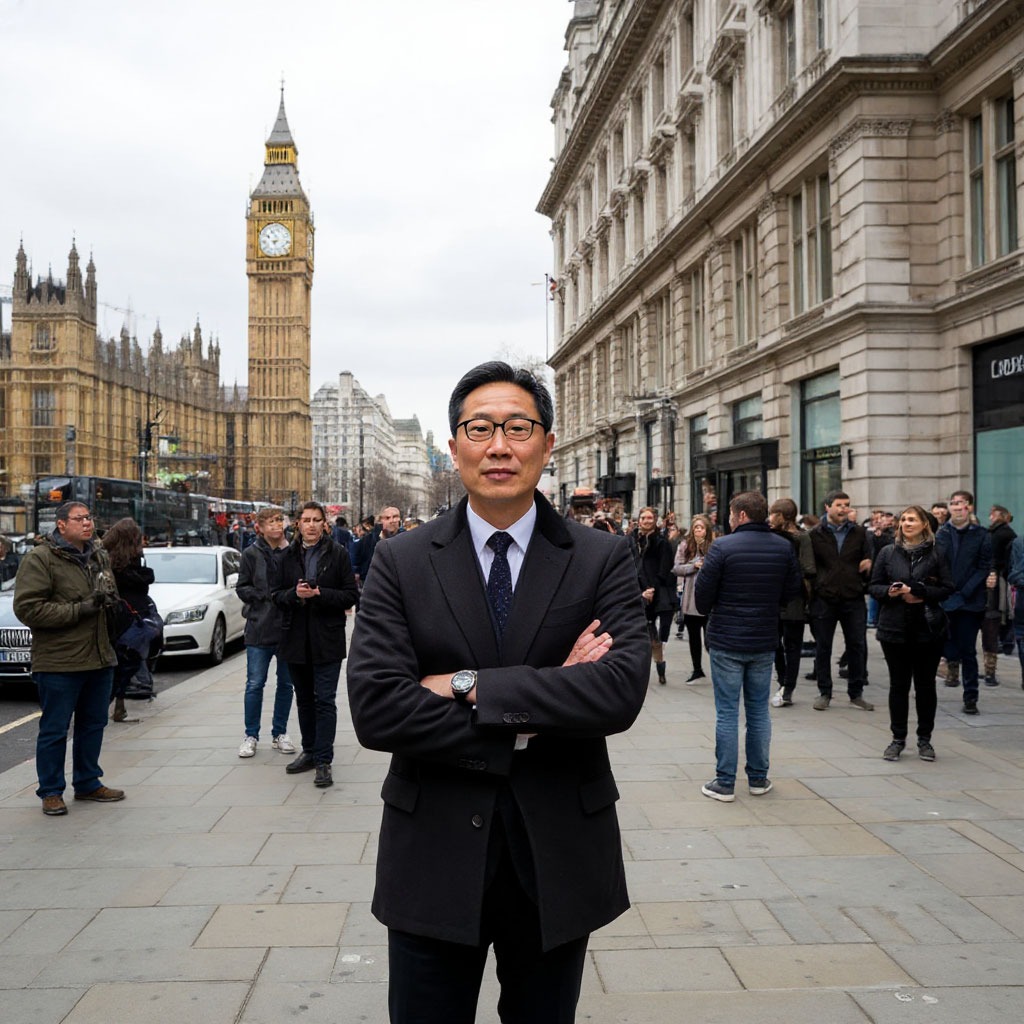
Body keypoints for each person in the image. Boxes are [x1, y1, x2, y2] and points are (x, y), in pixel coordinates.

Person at [346, 361, 649, 1024]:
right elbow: (377, 708)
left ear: (547, 443)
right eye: (480, 429)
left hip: (558, 854)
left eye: (518, 427)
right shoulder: (401, 560)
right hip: (433, 851)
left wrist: (467, 686)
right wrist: (545, 701)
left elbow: (618, 691)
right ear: (455, 447)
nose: (499, 446)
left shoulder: (601, 557)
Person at [13, 502, 125, 816]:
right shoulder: (41, 558)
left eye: (89, 518)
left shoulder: (98, 555)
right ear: (61, 525)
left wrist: (111, 604)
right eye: (80, 519)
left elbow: (108, 592)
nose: (87, 523)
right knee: (55, 729)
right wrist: (80, 609)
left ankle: (88, 782)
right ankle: (51, 791)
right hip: (59, 661)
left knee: (93, 724)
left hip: (99, 656)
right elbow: (28, 609)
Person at [693, 491, 801, 802]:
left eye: (730, 514)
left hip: (727, 639)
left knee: (727, 712)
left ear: (741, 515)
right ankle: (758, 778)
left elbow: (702, 598)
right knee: (758, 711)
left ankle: (725, 781)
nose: (728, 519)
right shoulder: (782, 547)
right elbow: (792, 590)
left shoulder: (722, 547)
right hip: (763, 639)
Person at [274, 501, 357, 787]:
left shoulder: (338, 554)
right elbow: (275, 596)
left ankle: (323, 760)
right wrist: (295, 595)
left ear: (325, 523)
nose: (311, 525)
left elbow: (351, 595)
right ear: (298, 523)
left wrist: (320, 594)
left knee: (324, 700)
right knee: (304, 699)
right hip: (295, 638)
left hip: (327, 639)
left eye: (316, 520)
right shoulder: (286, 556)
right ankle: (309, 751)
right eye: (306, 519)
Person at [869, 506, 954, 762]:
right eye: (904, 519)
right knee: (898, 685)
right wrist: (890, 592)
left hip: (928, 628)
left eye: (912, 520)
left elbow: (948, 588)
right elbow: (873, 586)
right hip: (894, 628)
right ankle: (898, 738)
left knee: (925, 685)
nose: (907, 523)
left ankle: (924, 739)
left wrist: (918, 591)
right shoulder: (887, 552)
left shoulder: (937, 553)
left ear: (924, 524)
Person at [807, 490, 874, 711]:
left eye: (847, 504)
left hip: (853, 597)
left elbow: (869, 558)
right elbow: (809, 566)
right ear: (827, 507)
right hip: (824, 598)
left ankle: (856, 693)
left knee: (857, 645)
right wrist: (818, 586)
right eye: (839, 505)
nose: (844, 509)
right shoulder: (814, 534)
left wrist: (868, 566)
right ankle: (824, 692)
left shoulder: (859, 532)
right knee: (823, 646)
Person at [236, 507, 295, 758]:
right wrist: (262, 596)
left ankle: (279, 733)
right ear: (259, 527)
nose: (276, 525)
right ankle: (251, 735)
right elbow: (242, 587)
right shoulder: (251, 554)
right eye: (270, 522)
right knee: (255, 684)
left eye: (279, 521)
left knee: (286, 684)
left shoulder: (292, 552)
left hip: (287, 628)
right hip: (259, 628)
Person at [935, 490, 993, 714]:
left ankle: (971, 697)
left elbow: (983, 566)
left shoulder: (981, 535)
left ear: (969, 507)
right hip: (945, 599)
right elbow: (936, 564)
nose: (958, 508)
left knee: (968, 649)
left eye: (962, 504)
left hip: (970, 602)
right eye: (954, 504)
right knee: (945, 646)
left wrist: (966, 591)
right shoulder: (941, 534)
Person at [101, 517, 157, 723]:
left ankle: (118, 705)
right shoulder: (118, 562)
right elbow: (140, 582)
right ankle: (104, 708)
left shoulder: (118, 557)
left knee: (123, 662)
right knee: (126, 662)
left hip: (126, 616)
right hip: (127, 617)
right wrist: (147, 575)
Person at [768, 498, 815, 707]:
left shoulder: (801, 537)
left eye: (773, 514)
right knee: (775, 642)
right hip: (774, 597)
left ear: (782, 516)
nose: (770, 518)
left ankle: (788, 687)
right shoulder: (771, 535)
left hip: (794, 597)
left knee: (792, 644)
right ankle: (782, 680)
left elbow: (809, 568)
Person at [634, 506, 676, 685]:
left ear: (655, 520)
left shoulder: (661, 542)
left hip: (658, 592)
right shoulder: (632, 540)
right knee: (642, 633)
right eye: (643, 518)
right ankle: (642, 668)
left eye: (649, 518)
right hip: (637, 590)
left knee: (655, 634)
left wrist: (652, 589)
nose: (646, 521)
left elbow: (665, 568)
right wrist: (640, 591)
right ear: (639, 520)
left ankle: (660, 666)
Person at [672, 514, 714, 683]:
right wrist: (693, 566)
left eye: (701, 527)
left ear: (707, 530)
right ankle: (697, 669)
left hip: (709, 599)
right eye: (696, 527)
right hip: (691, 599)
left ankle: (719, 669)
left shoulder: (715, 546)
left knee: (710, 639)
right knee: (694, 636)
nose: (698, 530)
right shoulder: (685, 546)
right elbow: (676, 568)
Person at [982, 504, 1016, 686]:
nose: (990, 517)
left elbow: (995, 557)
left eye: (993, 514)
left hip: (997, 581)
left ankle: (991, 669)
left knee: (996, 617)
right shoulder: (996, 532)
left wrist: (993, 571)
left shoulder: (1001, 533)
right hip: (995, 579)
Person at [1008, 533, 1024, 689]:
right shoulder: (1018, 542)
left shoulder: (1019, 541)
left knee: (1022, 634)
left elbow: (1011, 570)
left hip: (1022, 591)